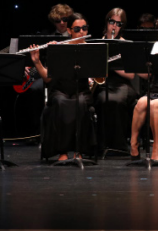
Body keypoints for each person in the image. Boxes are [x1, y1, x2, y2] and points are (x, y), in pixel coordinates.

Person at [29, 13, 95, 161]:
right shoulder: (60, 48)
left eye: (84, 28)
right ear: (70, 31)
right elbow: (47, 77)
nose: (82, 32)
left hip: (81, 90)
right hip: (60, 90)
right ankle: (62, 151)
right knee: (60, 103)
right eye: (77, 29)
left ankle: (79, 151)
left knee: (81, 103)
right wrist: (37, 61)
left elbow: (99, 75)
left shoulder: (92, 49)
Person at [93, 8, 138, 153]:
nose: (114, 27)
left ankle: (119, 144)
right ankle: (102, 143)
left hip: (121, 85)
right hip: (102, 84)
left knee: (116, 101)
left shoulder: (125, 44)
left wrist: (112, 65)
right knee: (102, 100)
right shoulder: (97, 43)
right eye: (112, 22)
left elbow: (131, 75)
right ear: (107, 22)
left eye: (119, 24)